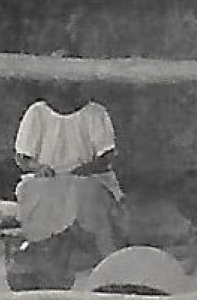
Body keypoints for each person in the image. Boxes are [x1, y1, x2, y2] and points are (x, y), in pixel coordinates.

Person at [11, 83, 125, 283]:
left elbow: (106, 156)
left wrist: (84, 169)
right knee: (32, 191)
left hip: (90, 177)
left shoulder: (94, 112)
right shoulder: (37, 112)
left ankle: (110, 265)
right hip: (50, 179)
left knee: (84, 191)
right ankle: (47, 252)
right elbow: (22, 157)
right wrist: (39, 168)